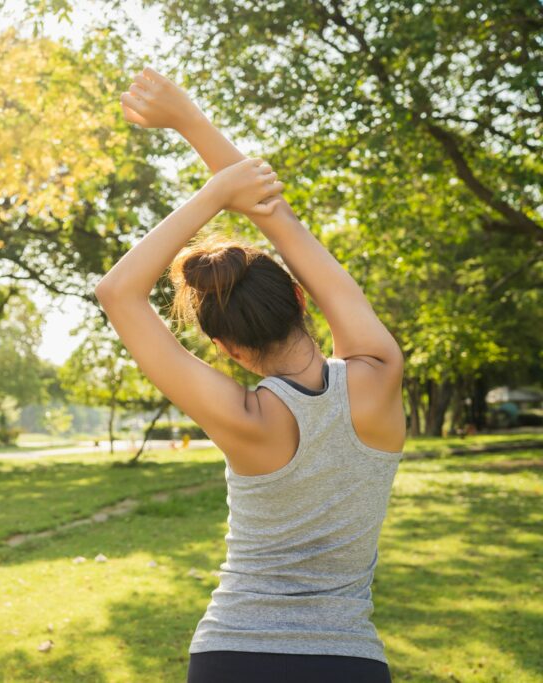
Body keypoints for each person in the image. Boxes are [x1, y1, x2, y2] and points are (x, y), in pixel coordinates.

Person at [94, 67, 406, 683]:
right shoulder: (379, 374)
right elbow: (279, 220)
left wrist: (212, 196)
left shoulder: (245, 419)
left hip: (232, 654)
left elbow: (117, 292)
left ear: (228, 350)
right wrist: (191, 122)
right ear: (299, 296)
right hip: (347, 662)